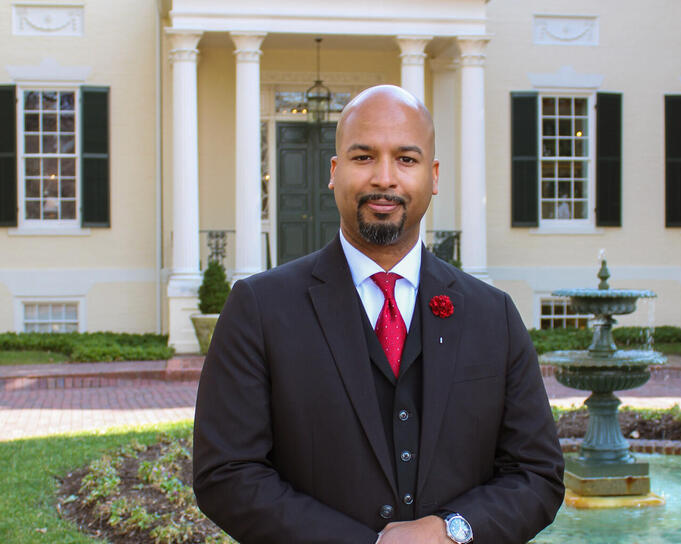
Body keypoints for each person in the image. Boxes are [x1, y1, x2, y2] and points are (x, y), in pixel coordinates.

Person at [193, 85, 564, 544]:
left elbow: (536, 474)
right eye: (363, 157)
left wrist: (452, 531)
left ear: (433, 175)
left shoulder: (493, 315)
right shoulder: (259, 308)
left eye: (406, 160)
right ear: (334, 171)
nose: (384, 178)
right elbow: (226, 474)